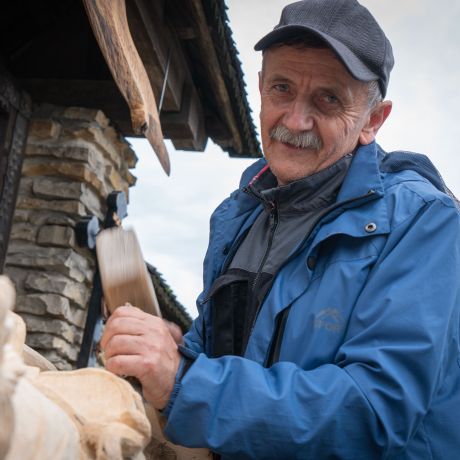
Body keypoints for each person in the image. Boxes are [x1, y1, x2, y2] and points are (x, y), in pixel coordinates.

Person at [100, 0, 460, 458]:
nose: (295, 120)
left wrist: (187, 381)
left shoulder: (424, 222)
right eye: (282, 89)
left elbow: (374, 412)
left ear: (372, 120)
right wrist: (179, 350)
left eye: (328, 99)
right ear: (260, 89)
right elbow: (229, 356)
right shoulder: (238, 215)